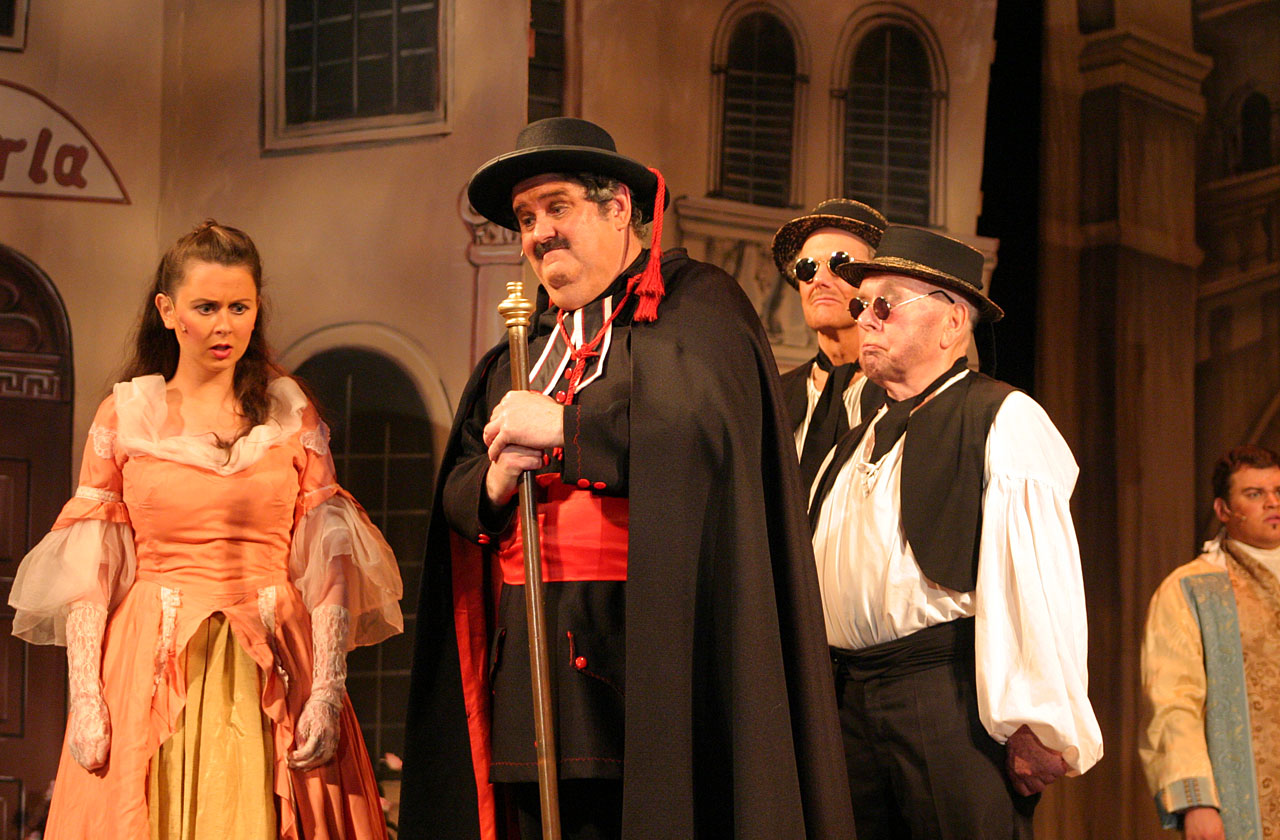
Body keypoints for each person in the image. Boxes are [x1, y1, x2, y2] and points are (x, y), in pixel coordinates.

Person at [399, 117, 853, 840]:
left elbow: (707, 435)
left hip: (651, 655)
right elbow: (458, 492)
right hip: (529, 661)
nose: (539, 233)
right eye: (525, 218)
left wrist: (568, 430)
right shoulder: (523, 351)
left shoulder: (696, 307)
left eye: (557, 207)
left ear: (618, 209)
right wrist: (493, 479)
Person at [8, 221, 403, 840]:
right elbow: (92, 564)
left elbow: (328, 555)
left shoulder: (290, 412)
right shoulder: (126, 415)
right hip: (151, 653)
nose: (224, 326)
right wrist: (85, 694)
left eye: (239, 307)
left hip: (274, 649)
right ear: (168, 311)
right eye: (206, 307)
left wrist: (327, 688)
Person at [808, 225, 1103, 838]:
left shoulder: (1002, 416)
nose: (865, 319)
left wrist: (1037, 722)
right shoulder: (855, 437)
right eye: (863, 305)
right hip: (848, 703)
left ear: (951, 323)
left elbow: (1037, 580)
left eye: (886, 304)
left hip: (945, 700)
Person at [1140, 444, 1280, 840]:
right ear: (1223, 510)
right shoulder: (1192, 589)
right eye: (1254, 494)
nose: (1272, 502)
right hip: (1242, 805)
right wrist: (1196, 802)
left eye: (1278, 491)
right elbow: (1173, 702)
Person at [770, 199, 888, 491]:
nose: (819, 280)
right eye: (807, 267)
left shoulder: (904, 395)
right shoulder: (773, 397)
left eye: (839, 263)